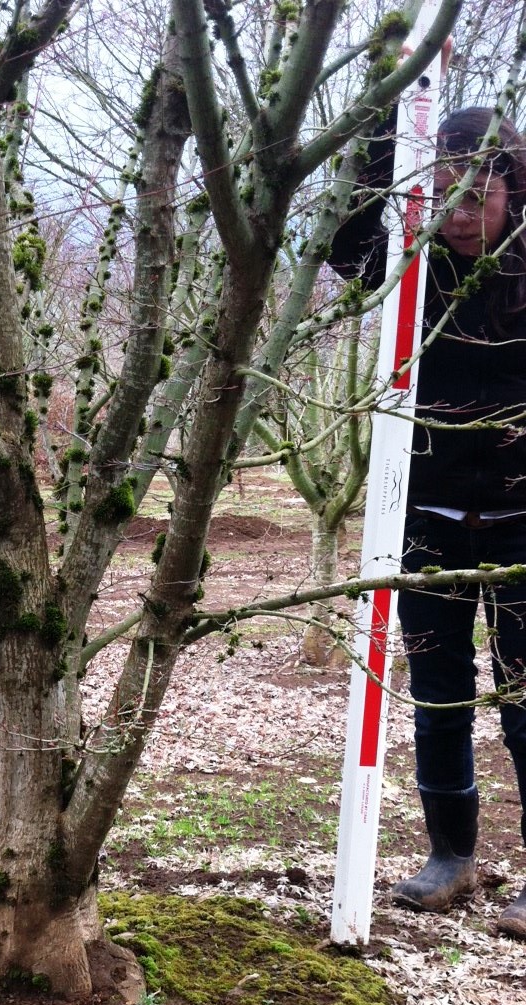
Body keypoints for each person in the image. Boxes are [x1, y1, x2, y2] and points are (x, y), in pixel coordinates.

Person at [330, 94, 526, 937]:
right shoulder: (415, 263)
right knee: (438, 694)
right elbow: (347, 247)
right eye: (441, 196)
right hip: (429, 518)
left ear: (511, 187)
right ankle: (452, 856)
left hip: (524, 524)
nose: (460, 217)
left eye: (476, 197)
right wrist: (384, 133)